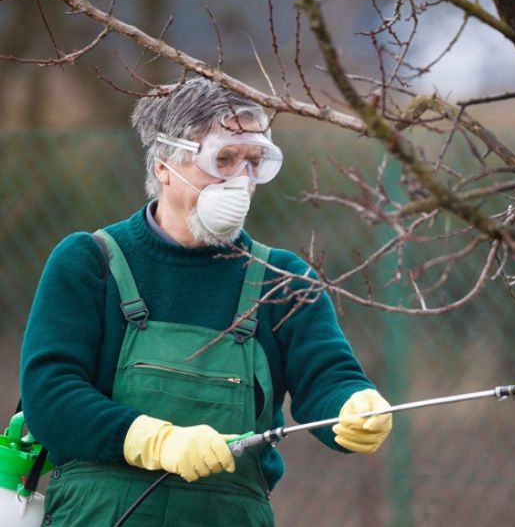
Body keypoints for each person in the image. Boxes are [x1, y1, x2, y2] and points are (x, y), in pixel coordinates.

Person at [19, 77, 393, 526]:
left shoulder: (283, 279)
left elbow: (328, 379)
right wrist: (154, 440)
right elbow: (50, 396)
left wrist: (354, 406)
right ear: (163, 164)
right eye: (224, 159)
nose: (243, 180)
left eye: (254, 162)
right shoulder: (90, 262)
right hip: (101, 513)